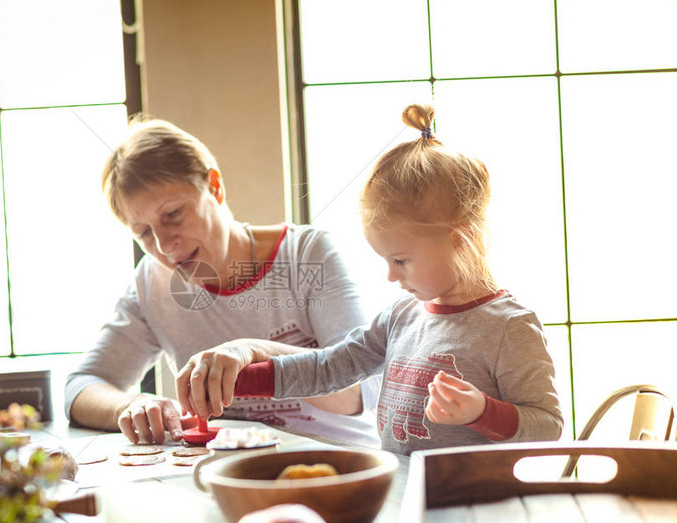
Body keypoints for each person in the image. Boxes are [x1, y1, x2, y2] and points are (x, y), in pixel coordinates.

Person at [178, 103, 563, 455]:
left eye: (400, 260)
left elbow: (548, 425)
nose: (391, 275)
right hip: (405, 492)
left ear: (460, 241)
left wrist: (482, 412)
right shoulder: (400, 317)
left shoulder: (510, 328)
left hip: (477, 507)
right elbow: (327, 369)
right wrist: (241, 381)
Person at [65, 116, 379, 447]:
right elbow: (81, 386)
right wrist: (131, 404)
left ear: (214, 185)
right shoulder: (152, 280)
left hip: (337, 467)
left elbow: (360, 392)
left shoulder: (307, 253)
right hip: (223, 474)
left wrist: (255, 352)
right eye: (143, 232)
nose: (163, 245)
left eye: (172, 214)